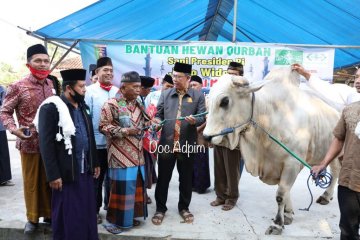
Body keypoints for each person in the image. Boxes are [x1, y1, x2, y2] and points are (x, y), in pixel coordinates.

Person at [35, 69, 100, 240]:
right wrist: (53, 175)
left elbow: (89, 136)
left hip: (84, 171)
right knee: (69, 214)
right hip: (65, 174)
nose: (85, 89)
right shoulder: (52, 108)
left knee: (86, 212)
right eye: (81, 86)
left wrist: (95, 162)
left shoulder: (83, 107)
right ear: (69, 88)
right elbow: (46, 144)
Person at [0, 44, 53, 233]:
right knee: (32, 182)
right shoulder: (18, 86)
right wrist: (14, 130)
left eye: (46, 61)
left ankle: (49, 214)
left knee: (50, 180)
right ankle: (32, 219)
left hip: (51, 143)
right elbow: (4, 112)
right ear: (28, 63)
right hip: (29, 141)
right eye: (38, 60)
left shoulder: (50, 84)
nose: (42, 64)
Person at [151, 62, 206, 225]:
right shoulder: (166, 93)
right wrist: (157, 121)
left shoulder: (197, 96)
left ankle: (184, 207)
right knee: (163, 179)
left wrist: (195, 120)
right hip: (167, 143)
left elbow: (202, 116)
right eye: (174, 75)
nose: (175, 79)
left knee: (186, 178)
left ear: (188, 78)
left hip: (187, 144)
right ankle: (160, 209)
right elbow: (159, 114)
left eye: (178, 76)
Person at [99, 71, 149, 234]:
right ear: (123, 87)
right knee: (121, 189)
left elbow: (146, 121)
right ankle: (118, 221)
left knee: (135, 189)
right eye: (134, 87)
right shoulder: (112, 103)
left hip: (138, 155)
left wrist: (154, 124)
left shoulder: (138, 103)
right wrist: (126, 131)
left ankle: (131, 218)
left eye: (139, 87)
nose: (138, 90)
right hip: (120, 156)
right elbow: (103, 127)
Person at [311, 100, 360, 240]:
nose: (358, 80)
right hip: (349, 181)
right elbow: (339, 139)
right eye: (356, 76)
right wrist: (323, 164)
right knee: (348, 231)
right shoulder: (350, 109)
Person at [85, 57, 119, 224]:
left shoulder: (117, 91)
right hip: (97, 145)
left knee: (113, 179)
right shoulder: (89, 91)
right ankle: (94, 210)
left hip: (116, 145)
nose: (109, 73)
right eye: (105, 70)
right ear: (97, 72)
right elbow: (86, 119)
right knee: (96, 180)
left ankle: (111, 207)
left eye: (111, 71)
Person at [210, 61, 244, 211]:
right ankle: (220, 196)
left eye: (234, 75)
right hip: (219, 135)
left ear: (240, 76)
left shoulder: (244, 94)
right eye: (229, 74)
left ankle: (231, 198)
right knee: (218, 168)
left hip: (234, 137)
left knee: (232, 169)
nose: (231, 77)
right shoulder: (220, 90)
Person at [292, 63, 360, 110]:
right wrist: (305, 74)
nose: (358, 81)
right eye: (356, 77)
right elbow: (326, 89)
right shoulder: (350, 93)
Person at [189, 75, 210, 194]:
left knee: (201, 160)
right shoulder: (189, 98)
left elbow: (209, 119)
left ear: (201, 86)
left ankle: (201, 186)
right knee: (191, 161)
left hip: (201, 135)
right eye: (191, 85)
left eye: (195, 85)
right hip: (190, 135)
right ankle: (192, 184)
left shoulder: (206, 99)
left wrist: (198, 129)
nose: (192, 87)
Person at [139, 76, 157, 204]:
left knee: (147, 168)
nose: (149, 92)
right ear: (142, 88)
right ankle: (142, 194)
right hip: (138, 141)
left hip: (147, 141)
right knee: (141, 170)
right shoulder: (134, 100)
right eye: (148, 89)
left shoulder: (143, 99)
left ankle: (144, 192)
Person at [0, 85, 13, 187]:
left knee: (2, 152)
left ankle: (4, 178)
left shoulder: (1, 89)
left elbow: (5, 106)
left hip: (0, 127)